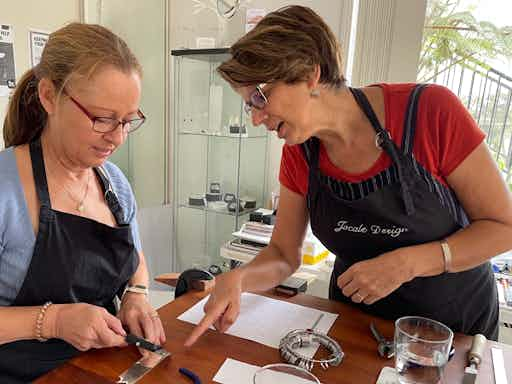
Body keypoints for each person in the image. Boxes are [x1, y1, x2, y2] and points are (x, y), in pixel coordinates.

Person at [185, 5, 512, 347]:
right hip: (355, 331)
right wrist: (239, 278)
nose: (255, 118)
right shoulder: (299, 153)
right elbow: (283, 254)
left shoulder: (430, 112)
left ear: (310, 74)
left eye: (260, 97)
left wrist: (407, 263)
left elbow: (503, 227)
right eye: (249, 104)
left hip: (450, 335)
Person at [0, 23, 165, 383]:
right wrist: (55, 321)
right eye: (103, 119)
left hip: (101, 370)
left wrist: (136, 294)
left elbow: (134, 258)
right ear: (48, 96)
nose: (118, 137)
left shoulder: (115, 184)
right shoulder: (4, 191)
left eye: (127, 121)